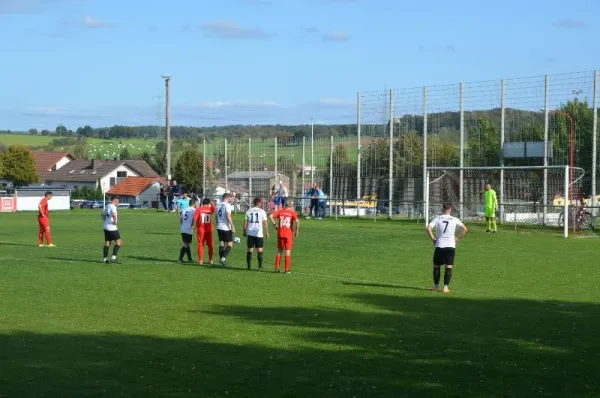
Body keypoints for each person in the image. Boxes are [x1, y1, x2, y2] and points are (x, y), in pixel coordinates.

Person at [425, 203, 467, 293]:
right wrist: (458, 238)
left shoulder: (438, 218)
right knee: (448, 267)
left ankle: (436, 287)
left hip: (439, 245)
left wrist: (433, 239)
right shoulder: (454, 219)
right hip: (450, 246)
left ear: (442, 209)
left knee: (436, 267)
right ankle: (445, 288)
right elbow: (465, 229)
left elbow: (428, 228)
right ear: (450, 209)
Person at [270, 201, 299, 274]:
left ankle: (277, 268)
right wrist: (296, 231)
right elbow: (297, 221)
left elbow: (270, 216)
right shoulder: (292, 213)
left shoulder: (281, 211)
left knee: (279, 251)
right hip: (288, 234)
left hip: (280, 233)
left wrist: (275, 225)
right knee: (288, 251)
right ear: (291, 206)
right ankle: (286, 269)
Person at [243, 197, 269, 271]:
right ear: (259, 203)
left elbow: (245, 222)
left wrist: (244, 231)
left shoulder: (248, 211)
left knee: (250, 249)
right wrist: (267, 232)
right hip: (259, 234)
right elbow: (265, 223)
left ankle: (249, 266)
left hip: (250, 233)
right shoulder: (262, 212)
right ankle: (260, 266)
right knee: (260, 250)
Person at [193, 198, 216, 265]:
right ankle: (211, 260)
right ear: (208, 203)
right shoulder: (210, 209)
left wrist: (193, 226)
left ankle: (200, 261)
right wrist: (211, 203)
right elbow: (214, 208)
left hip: (201, 229)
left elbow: (195, 218)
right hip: (209, 229)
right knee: (210, 245)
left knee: (200, 244)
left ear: (202, 203)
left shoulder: (199, 209)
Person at [216, 193, 236, 267]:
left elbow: (216, 216)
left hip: (219, 226)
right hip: (226, 227)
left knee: (221, 243)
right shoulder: (227, 205)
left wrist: (218, 224)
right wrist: (233, 226)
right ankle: (223, 258)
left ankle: (222, 260)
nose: (232, 199)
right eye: (232, 197)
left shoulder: (218, 205)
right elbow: (228, 216)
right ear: (228, 197)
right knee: (230, 244)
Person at [102, 195, 123, 264]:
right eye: (118, 201)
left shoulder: (107, 206)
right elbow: (114, 214)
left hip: (106, 227)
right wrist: (115, 222)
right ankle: (113, 258)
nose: (118, 202)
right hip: (112, 227)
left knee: (107, 242)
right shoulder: (113, 207)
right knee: (119, 241)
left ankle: (105, 259)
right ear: (115, 200)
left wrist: (105, 221)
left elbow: (102, 214)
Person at [178, 199, 196, 264]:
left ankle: (189, 258)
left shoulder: (184, 210)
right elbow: (195, 218)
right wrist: (193, 226)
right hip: (189, 229)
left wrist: (183, 225)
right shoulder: (194, 210)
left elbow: (181, 219)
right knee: (186, 244)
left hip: (183, 228)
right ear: (194, 204)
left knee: (187, 243)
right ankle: (180, 258)